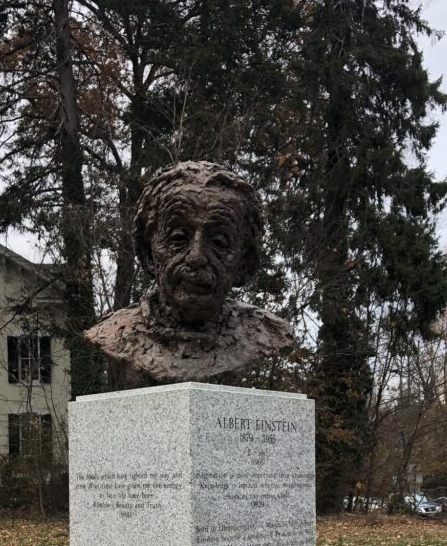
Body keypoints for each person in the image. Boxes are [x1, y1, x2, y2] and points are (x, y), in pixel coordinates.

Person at [85, 161, 294, 385]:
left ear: (244, 262)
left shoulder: (266, 333)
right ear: (148, 254)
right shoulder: (116, 334)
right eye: (178, 238)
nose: (196, 257)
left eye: (219, 242)